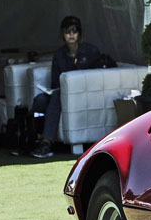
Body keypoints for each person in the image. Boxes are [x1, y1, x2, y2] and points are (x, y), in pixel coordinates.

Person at [29, 16, 100, 158]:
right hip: (61, 94)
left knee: (56, 97)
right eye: (67, 31)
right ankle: (29, 138)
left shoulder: (91, 51)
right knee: (40, 101)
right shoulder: (59, 54)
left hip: (84, 95)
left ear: (80, 33)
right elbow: (55, 83)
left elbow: (96, 78)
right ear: (62, 34)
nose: (71, 34)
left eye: (74, 31)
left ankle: (46, 143)